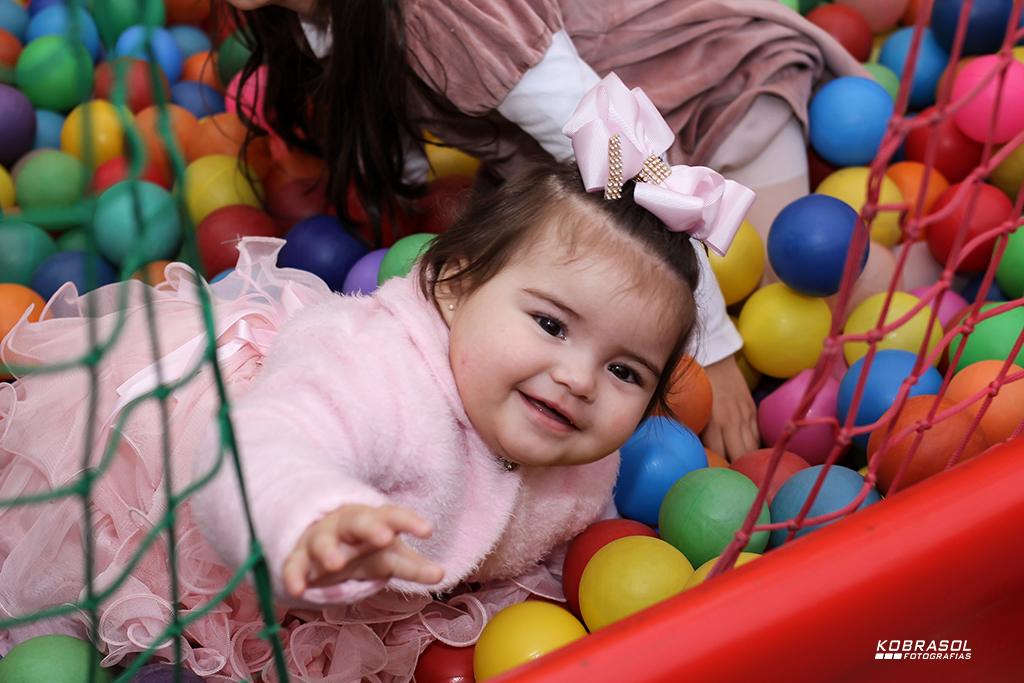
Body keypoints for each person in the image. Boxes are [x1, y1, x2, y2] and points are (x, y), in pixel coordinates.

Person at [0, 76, 754, 683]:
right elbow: (259, 447)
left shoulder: (587, 455)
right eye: (551, 324)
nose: (579, 377)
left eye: (626, 369)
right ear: (453, 287)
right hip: (195, 495)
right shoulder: (373, 369)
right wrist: (308, 517)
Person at [219, 0, 868, 461]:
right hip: (563, 168)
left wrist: (716, 348)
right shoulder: (304, 18)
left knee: (807, 296)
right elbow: (387, 97)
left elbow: (620, 148)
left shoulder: (448, 11)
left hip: (706, 92)